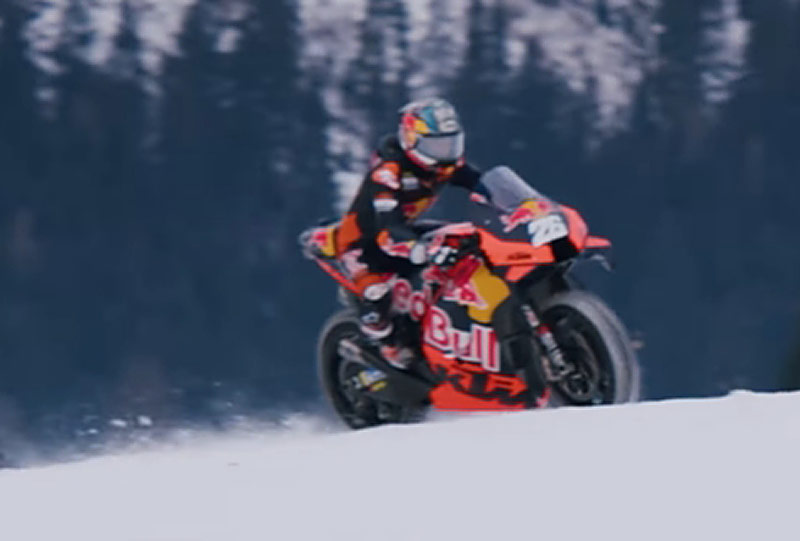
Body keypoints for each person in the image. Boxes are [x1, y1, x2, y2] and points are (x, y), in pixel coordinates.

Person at [303, 98, 548, 405]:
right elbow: (387, 229)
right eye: (436, 145)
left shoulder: (444, 165)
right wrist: (420, 250)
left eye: (450, 143)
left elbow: (483, 185)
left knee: (463, 243)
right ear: (411, 141)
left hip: (404, 230)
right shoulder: (388, 175)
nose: (446, 153)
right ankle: (391, 353)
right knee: (377, 296)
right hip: (363, 245)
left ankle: (452, 335)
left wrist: (523, 208)